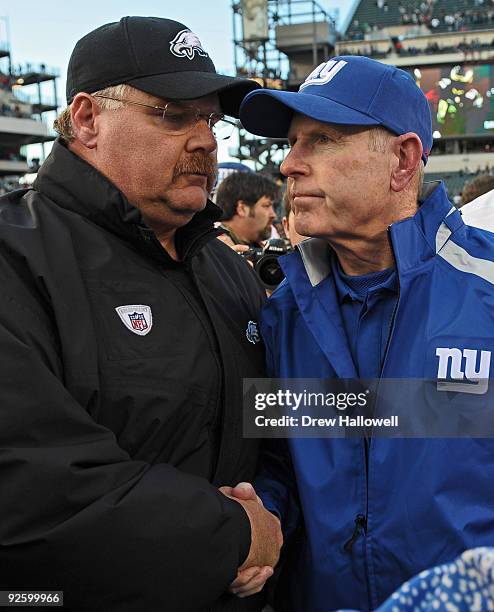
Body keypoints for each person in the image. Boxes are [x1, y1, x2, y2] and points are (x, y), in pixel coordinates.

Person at [0, 16, 282, 611]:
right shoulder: (15, 257)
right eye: (173, 115)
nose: (204, 140)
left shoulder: (230, 271)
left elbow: (276, 425)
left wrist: (273, 514)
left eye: (210, 119)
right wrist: (234, 536)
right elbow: (31, 490)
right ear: (85, 119)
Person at [230, 55, 494, 610]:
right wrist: (264, 516)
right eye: (292, 143)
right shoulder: (283, 312)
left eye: (320, 141)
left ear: (403, 160)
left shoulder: (487, 290)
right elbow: (280, 457)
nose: (288, 166)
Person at [215, 171, 279, 248]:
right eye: (266, 205)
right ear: (242, 208)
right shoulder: (212, 248)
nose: (273, 215)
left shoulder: (261, 247)